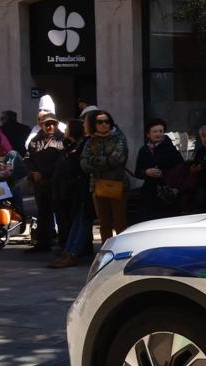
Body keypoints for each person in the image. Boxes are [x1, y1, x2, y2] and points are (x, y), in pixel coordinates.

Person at [49, 114, 95, 269]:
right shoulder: (73, 145)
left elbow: (80, 166)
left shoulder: (86, 143)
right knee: (78, 219)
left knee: (84, 220)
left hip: (86, 186)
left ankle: (74, 252)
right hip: (75, 188)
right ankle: (69, 250)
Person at [81, 109, 130, 241]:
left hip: (118, 185)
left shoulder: (119, 138)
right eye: (100, 122)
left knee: (120, 222)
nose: (104, 124)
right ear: (94, 124)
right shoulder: (90, 141)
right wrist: (106, 161)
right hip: (97, 186)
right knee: (104, 223)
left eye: (107, 121)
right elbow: (84, 164)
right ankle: (106, 252)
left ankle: (122, 249)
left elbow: (118, 159)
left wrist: (95, 160)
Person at [23, 113, 68, 253]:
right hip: (40, 184)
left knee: (61, 215)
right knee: (43, 214)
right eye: (47, 124)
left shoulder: (63, 140)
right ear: (41, 125)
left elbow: (63, 160)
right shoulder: (35, 141)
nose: (50, 126)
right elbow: (27, 158)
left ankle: (64, 244)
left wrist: (50, 174)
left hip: (57, 183)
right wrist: (34, 172)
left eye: (53, 123)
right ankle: (42, 243)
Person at [134, 118, 186, 223]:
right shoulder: (144, 150)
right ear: (148, 134)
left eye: (161, 131)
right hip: (149, 192)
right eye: (155, 131)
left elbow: (181, 169)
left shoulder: (171, 149)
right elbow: (138, 172)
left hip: (167, 192)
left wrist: (164, 173)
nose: (158, 134)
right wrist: (146, 172)